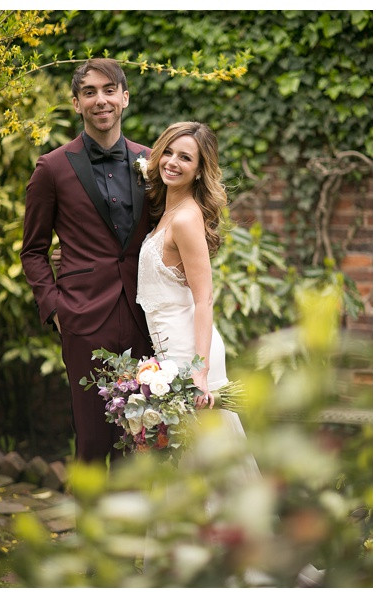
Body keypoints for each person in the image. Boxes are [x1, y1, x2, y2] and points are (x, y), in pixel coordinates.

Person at [21, 58, 153, 464]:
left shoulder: (153, 162)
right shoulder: (53, 167)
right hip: (83, 318)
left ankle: (132, 528)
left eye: (109, 90)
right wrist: (56, 309)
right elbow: (33, 250)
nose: (101, 100)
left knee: (143, 438)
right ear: (76, 103)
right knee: (93, 443)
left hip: (144, 315)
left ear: (125, 98)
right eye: (90, 92)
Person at [135, 121, 259, 474]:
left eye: (185, 158)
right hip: (167, 349)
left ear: (200, 170)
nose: (173, 162)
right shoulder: (166, 212)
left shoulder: (186, 218)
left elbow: (204, 299)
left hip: (189, 351)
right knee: (184, 456)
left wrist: (200, 370)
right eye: (169, 152)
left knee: (205, 456)